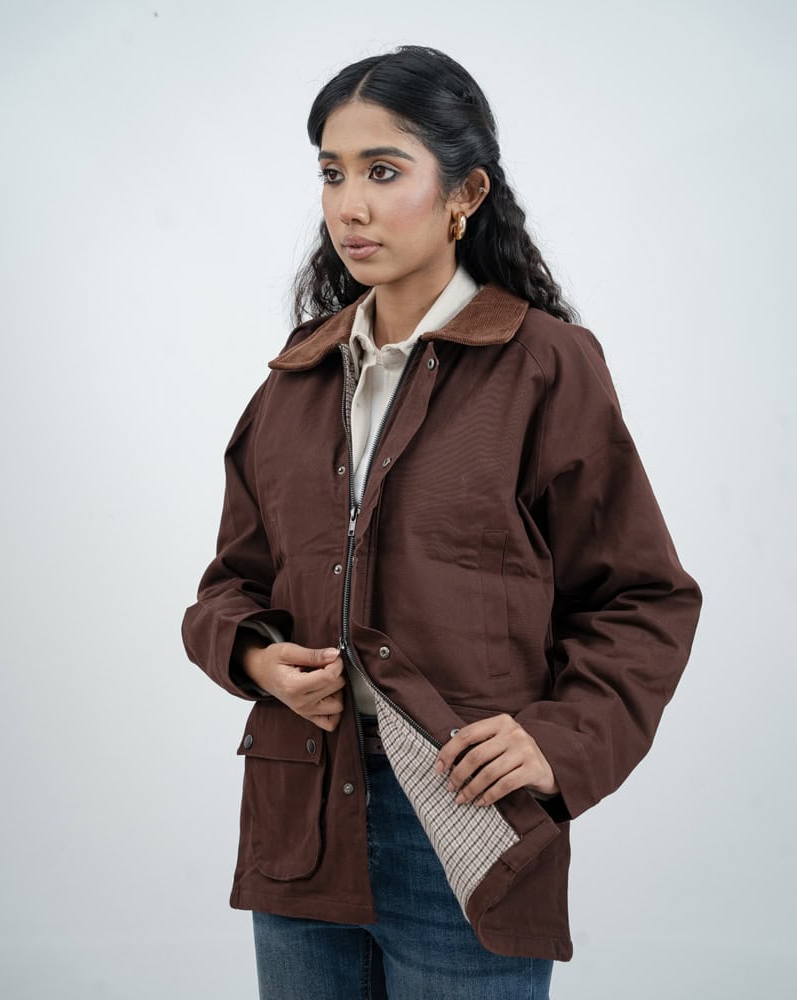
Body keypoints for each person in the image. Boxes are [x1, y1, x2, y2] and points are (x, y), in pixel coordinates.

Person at [182, 45, 701, 1000]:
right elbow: (230, 584)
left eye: (384, 171)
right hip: (301, 817)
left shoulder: (545, 364)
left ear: (465, 192)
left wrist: (560, 740)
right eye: (333, 173)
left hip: (467, 825)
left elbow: (642, 598)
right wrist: (255, 656)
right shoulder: (299, 375)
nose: (351, 205)